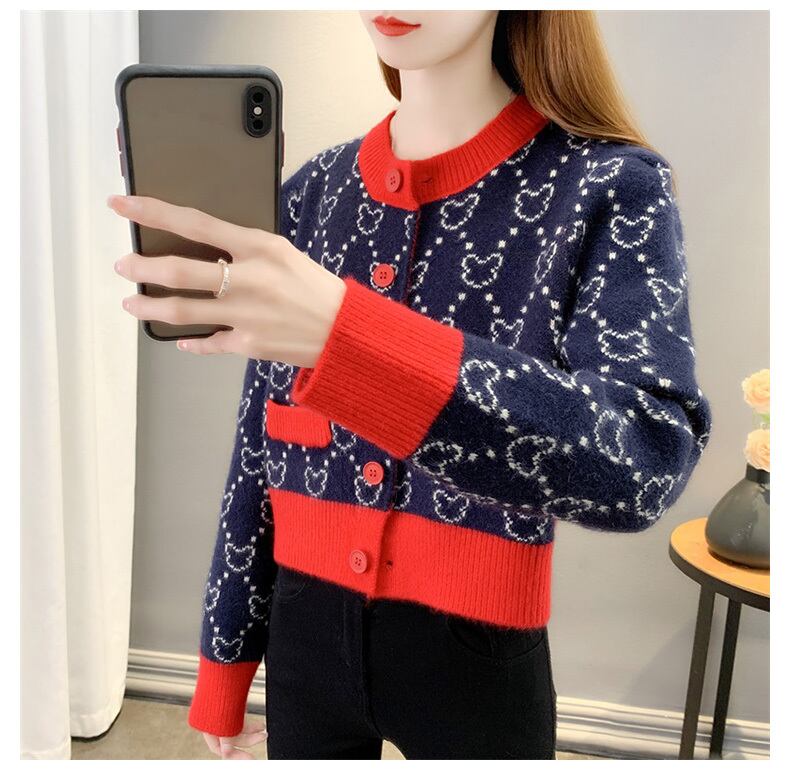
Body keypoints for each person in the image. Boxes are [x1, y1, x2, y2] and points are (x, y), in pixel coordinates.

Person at [110, 9, 713, 760]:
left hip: (477, 659)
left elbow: (642, 462)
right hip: (304, 635)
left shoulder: (606, 187)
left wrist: (350, 338)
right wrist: (224, 663)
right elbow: (259, 447)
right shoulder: (314, 195)